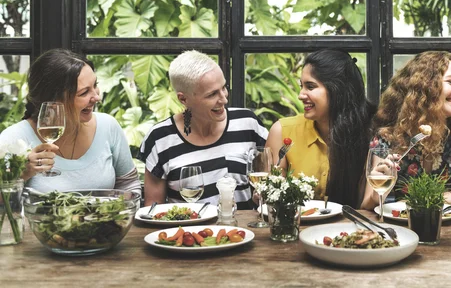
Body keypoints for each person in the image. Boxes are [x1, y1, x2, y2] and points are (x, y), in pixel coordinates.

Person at [0, 49, 141, 195]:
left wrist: (121, 214)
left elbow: (129, 184)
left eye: (95, 85)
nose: (97, 98)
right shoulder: (14, 140)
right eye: (84, 92)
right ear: (53, 101)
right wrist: (23, 174)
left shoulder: (108, 126)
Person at [140, 50, 268, 209]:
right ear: (183, 99)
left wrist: (264, 196)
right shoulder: (160, 139)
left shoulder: (247, 123)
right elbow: (153, 210)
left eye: (224, 87)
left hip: (245, 232)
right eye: (212, 94)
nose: (224, 99)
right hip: (190, 233)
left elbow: (271, 179)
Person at [366, 51, 451, 210]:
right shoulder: (387, 138)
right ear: (425, 86)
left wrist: (415, 199)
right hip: (400, 229)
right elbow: (365, 205)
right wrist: (379, 193)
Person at [265, 49, 377, 208]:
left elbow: (366, 207)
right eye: (301, 86)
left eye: (310, 87)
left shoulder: (370, 134)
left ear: (337, 90)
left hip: (350, 229)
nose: (300, 95)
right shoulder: (282, 131)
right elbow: (272, 197)